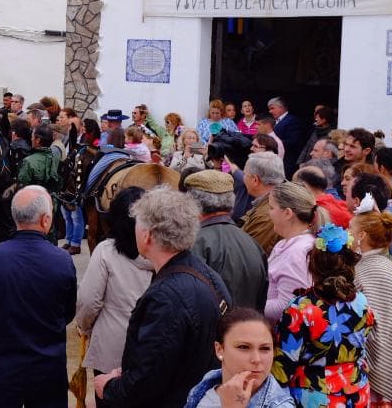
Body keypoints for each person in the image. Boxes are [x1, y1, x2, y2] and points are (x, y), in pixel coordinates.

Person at [95, 188, 231, 408]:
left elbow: (148, 380)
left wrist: (109, 387)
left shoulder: (165, 298)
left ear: (147, 235)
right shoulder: (207, 274)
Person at [0, 186, 77, 408]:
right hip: (48, 368)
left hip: (0, 367)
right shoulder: (62, 260)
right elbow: (68, 312)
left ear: (15, 218)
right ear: (45, 220)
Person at [272, 224, 374, 406]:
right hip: (356, 393)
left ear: (313, 265)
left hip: (315, 396)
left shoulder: (300, 309)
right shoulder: (361, 302)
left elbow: (283, 368)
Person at [76, 187, 153, 379]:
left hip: (110, 348)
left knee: (91, 182)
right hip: (150, 345)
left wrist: (83, 326)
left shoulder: (105, 250)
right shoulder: (162, 253)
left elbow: (88, 301)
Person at [348, 199, 392, 406]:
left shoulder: (372, 269)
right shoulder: (379, 263)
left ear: (362, 235)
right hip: (389, 353)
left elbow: (381, 326)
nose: (346, 232)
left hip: (383, 362)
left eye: (350, 228)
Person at [184, 170, 268, 311]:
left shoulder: (194, 243)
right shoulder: (252, 243)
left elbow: (188, 301)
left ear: (193, 203)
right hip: (248, 322)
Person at [184, 307, 296, 408]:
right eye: (244, 347)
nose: (257, 359)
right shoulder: (209, 381)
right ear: (219, 349)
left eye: (265, 348)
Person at [265, 182, 324, 323]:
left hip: (284, 333)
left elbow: (288, 305)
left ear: (287, 213)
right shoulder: (287, 244)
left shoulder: (297, 253)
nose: (268, 213)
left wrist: (249, 304)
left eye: (271, 208)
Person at [240, 151, 285, 256]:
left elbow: (248, 255)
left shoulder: (267, 215)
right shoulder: (273, 202)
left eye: (245, 174)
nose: (243, 177)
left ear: (255, 180)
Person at [268, 97, 304, 176]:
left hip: (287, 162)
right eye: (269, 109)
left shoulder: (292, 120)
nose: (270, 111)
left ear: (281, 107)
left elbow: (293, 141)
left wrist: (271, 142)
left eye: (272, 108)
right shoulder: (274, 121)